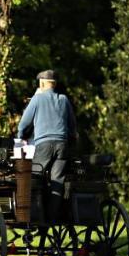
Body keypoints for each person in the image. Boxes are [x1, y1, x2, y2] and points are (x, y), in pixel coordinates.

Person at [16, 69, 76, 221]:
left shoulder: (37, 99)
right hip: (62, 145)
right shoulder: (64, 99)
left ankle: (36, 216)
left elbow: (24, 124)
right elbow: (72, 126)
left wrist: (21, 136)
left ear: (42, 83)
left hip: (44, 145)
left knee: (35, 178)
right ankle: (52, 218)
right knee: (57, 182)